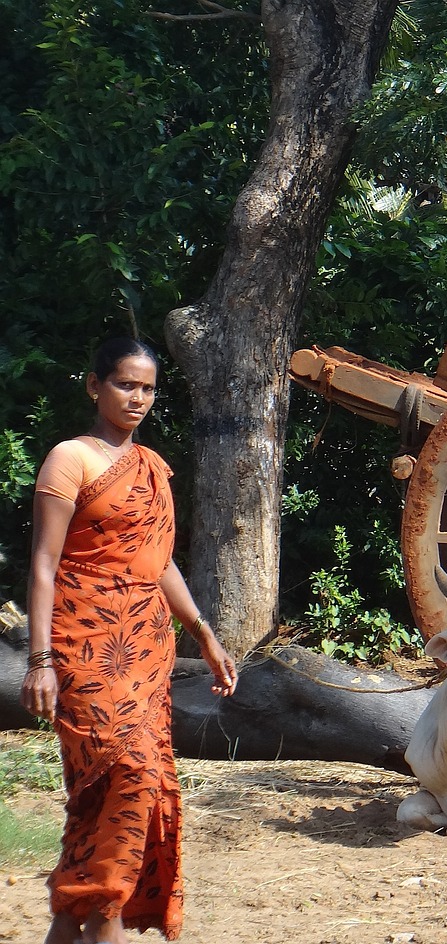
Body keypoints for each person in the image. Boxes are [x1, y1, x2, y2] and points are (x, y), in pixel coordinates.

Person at [20, 338, 239, 944]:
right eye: (125, 385)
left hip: (145, 645)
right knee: (124, 774)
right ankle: (106, 919)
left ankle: (73, 920)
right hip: (83, 639)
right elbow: (43, 563)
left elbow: (159, 562)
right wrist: (40, 662)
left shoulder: (151, 466)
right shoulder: (71, 459)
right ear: (95, 387)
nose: (137, 398)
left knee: (125, 788)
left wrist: (203, 631)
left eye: (146, 388)